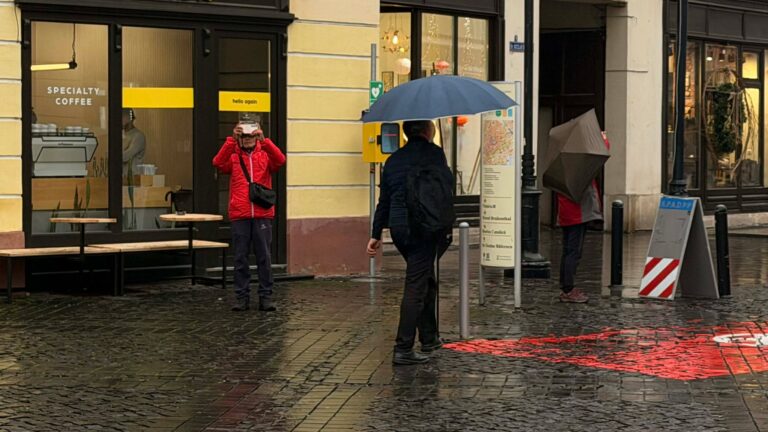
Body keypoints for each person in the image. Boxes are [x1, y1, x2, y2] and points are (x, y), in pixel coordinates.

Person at [366, 120, 452, 366]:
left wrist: (375, 234)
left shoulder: (393, 160)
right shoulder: (434, 154)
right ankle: (403, 347)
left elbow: (384, 200)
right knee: (415, 285)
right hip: (424, 226)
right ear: (428, 131)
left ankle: (429, 337)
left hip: (399, 228)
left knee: (426, 278)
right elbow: (443, 191)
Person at [213, 122, 286, 312]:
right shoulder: (234, 156)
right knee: (240, 258)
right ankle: (241, 297)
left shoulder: (265, 155)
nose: (247, 140)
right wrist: (230, 141)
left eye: (250, 136)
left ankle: (266, 297)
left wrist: (266, 141)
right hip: (240, 214)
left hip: (262, 213)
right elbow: (218, 163)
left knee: (264, 257)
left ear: (256, 137)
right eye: (244, 137)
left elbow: (280, 160)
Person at [556, 131, 609, 303]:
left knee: (567, 251)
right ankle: (568, 289)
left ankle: (566, 286)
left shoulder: (562, 164)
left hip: (567, 213)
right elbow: (600, 155)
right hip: (576, 214)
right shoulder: (578, 166)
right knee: (573, 252)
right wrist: (603, 140)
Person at [122, 108, 146, 177]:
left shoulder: (138, 136)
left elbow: (125, 157)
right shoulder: (123, 135)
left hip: (133, 179)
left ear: (129, 119)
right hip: (122, 178)